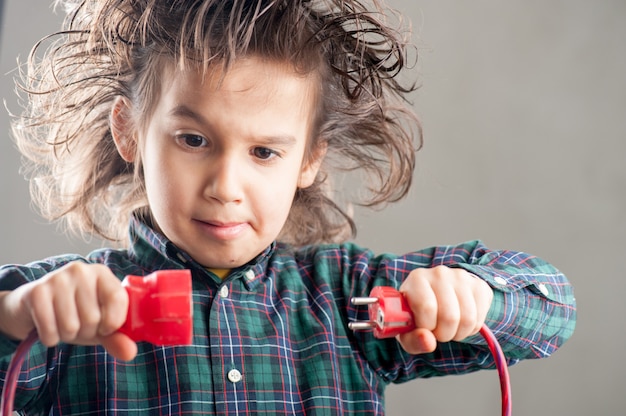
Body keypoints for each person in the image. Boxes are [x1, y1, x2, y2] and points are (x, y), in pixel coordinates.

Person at [0, 0, 576, 414]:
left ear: (308, 161)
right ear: (129, 133)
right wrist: (16, 319)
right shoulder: (62, 312)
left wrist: (473, 295)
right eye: (193, 141)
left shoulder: (350, 300)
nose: (226, 185)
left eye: (265, 152)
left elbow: (553, 311)